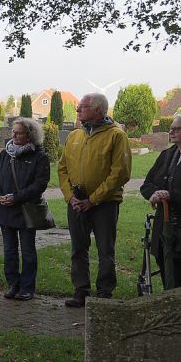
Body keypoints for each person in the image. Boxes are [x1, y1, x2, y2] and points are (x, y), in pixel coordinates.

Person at [58, 93, 131, 307]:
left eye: (83, 107)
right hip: (76, 203)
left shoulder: (116, 135)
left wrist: (94, 199)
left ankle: (104, 293)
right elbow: (62, 168)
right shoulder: (75, 136)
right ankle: (81, 291)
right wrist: (70, 197)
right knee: (78, 249)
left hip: (104, 204)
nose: (78, 110)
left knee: (105, 250)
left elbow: (120, 173)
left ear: (98, 110)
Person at [0, 117, 51, 300]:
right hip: (5, 209)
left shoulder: (39, 157)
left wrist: (16, 197)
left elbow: (40, 184)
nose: (14, 136)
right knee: (9, 251)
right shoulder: (5, 154)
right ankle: (13, 284)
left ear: (30, 136)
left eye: (18, 133)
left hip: (25, 210)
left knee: (28, 251)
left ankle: (27, 288)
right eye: (13, 132)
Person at [141, 114, 181, 290]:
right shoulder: (167, 155)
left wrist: (170, 195)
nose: (171, 132)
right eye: (171, 128)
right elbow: (147, 183)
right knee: (167, 272)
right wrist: (154, 194)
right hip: (164, 230)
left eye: (176, 129)